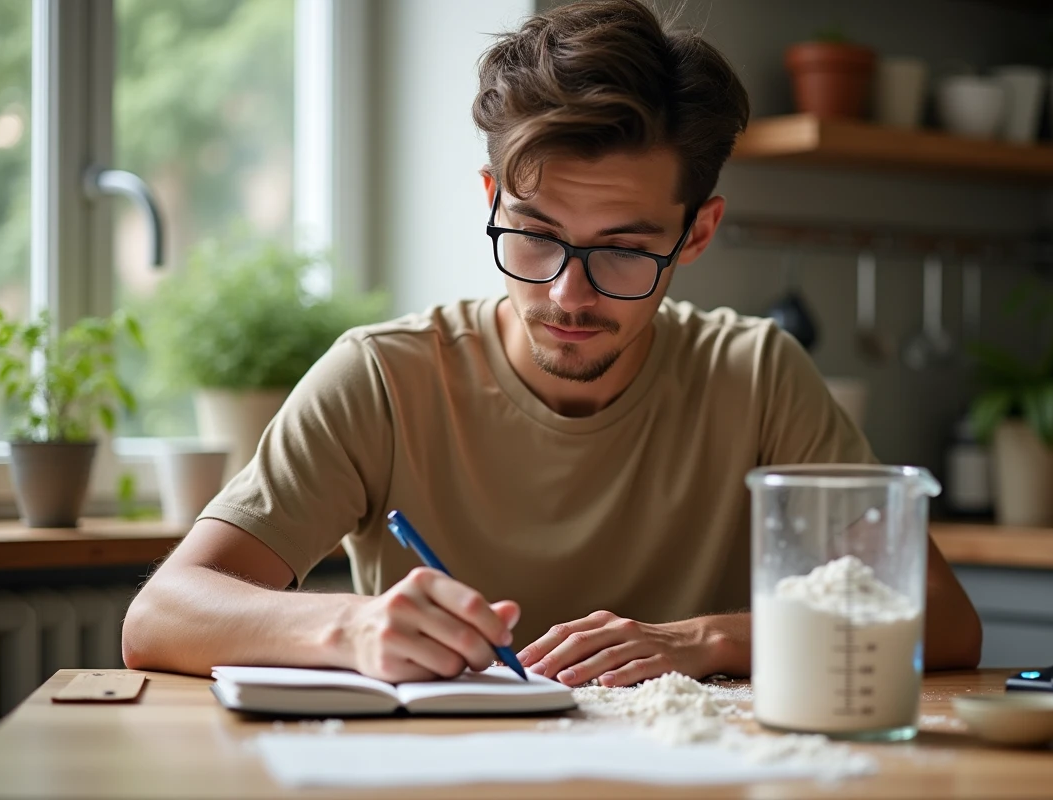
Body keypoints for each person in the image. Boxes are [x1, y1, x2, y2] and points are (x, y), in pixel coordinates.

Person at [122, 0, 981, 688]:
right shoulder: (384, 377)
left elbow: (943, 621)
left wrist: (705, 640)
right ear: (493, 197)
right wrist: (348, 625)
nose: (568, 294)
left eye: (623, 248)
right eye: (533, 234)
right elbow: (161, 616)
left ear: (697, 232)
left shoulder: (754, 375)